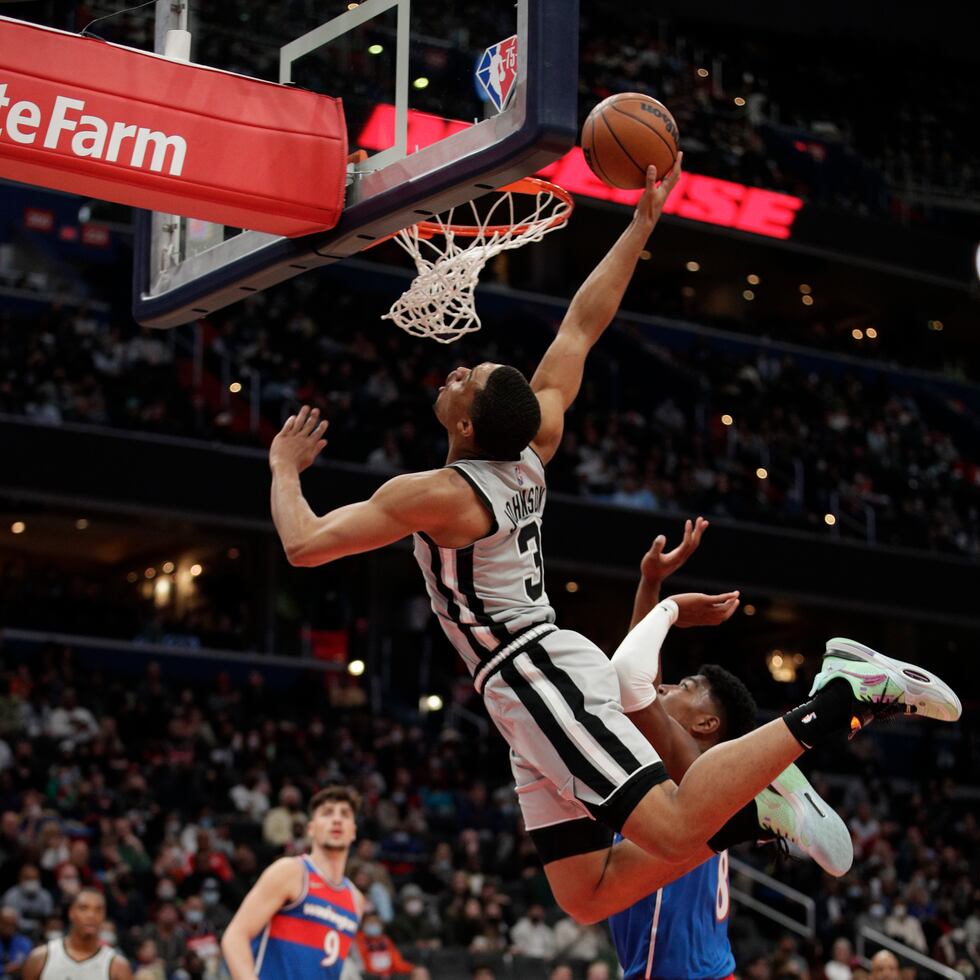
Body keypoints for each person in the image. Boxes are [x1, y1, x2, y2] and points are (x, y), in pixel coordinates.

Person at [269, 156, 961, 925]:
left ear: (465, 427)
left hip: (532, 671)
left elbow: (305, 545)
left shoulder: (438, 495)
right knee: (589, 894)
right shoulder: (534, 447)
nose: (457, 370)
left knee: (666, 823)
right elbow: (582, 324)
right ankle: (759, 808)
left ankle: (840, 696)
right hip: (526, 681)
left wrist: (282, 467)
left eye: (465, 379)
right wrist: (638, 226)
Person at [608, 524, 850, 978]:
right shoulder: (684, 774)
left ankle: (830, 707)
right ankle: (771, 792)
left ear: (706, 724)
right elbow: (639, 673)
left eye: (685, 686)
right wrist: (651, 582)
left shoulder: (682, 774)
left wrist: (664, 601)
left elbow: (632, 682)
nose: (666, 684)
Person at [221, 786, 364, 980]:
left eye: (345, 814)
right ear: (311, 829)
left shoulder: (356, 900)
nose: (337, 819)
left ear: (353, 831)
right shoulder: (291, 872)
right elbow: (234, 938)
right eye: (327, 813)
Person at [21, 889, 131, 980]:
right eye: (84, 908)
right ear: (71, 913)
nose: (91, 915)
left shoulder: (118, 966)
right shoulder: (40, 957)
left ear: (104, 916)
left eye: (98, 910)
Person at [0, 906, 32, 976]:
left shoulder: (25, 943)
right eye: (5, 923)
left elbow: (27, 964)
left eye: (12, 924)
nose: (9, 927)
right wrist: (4, 969)